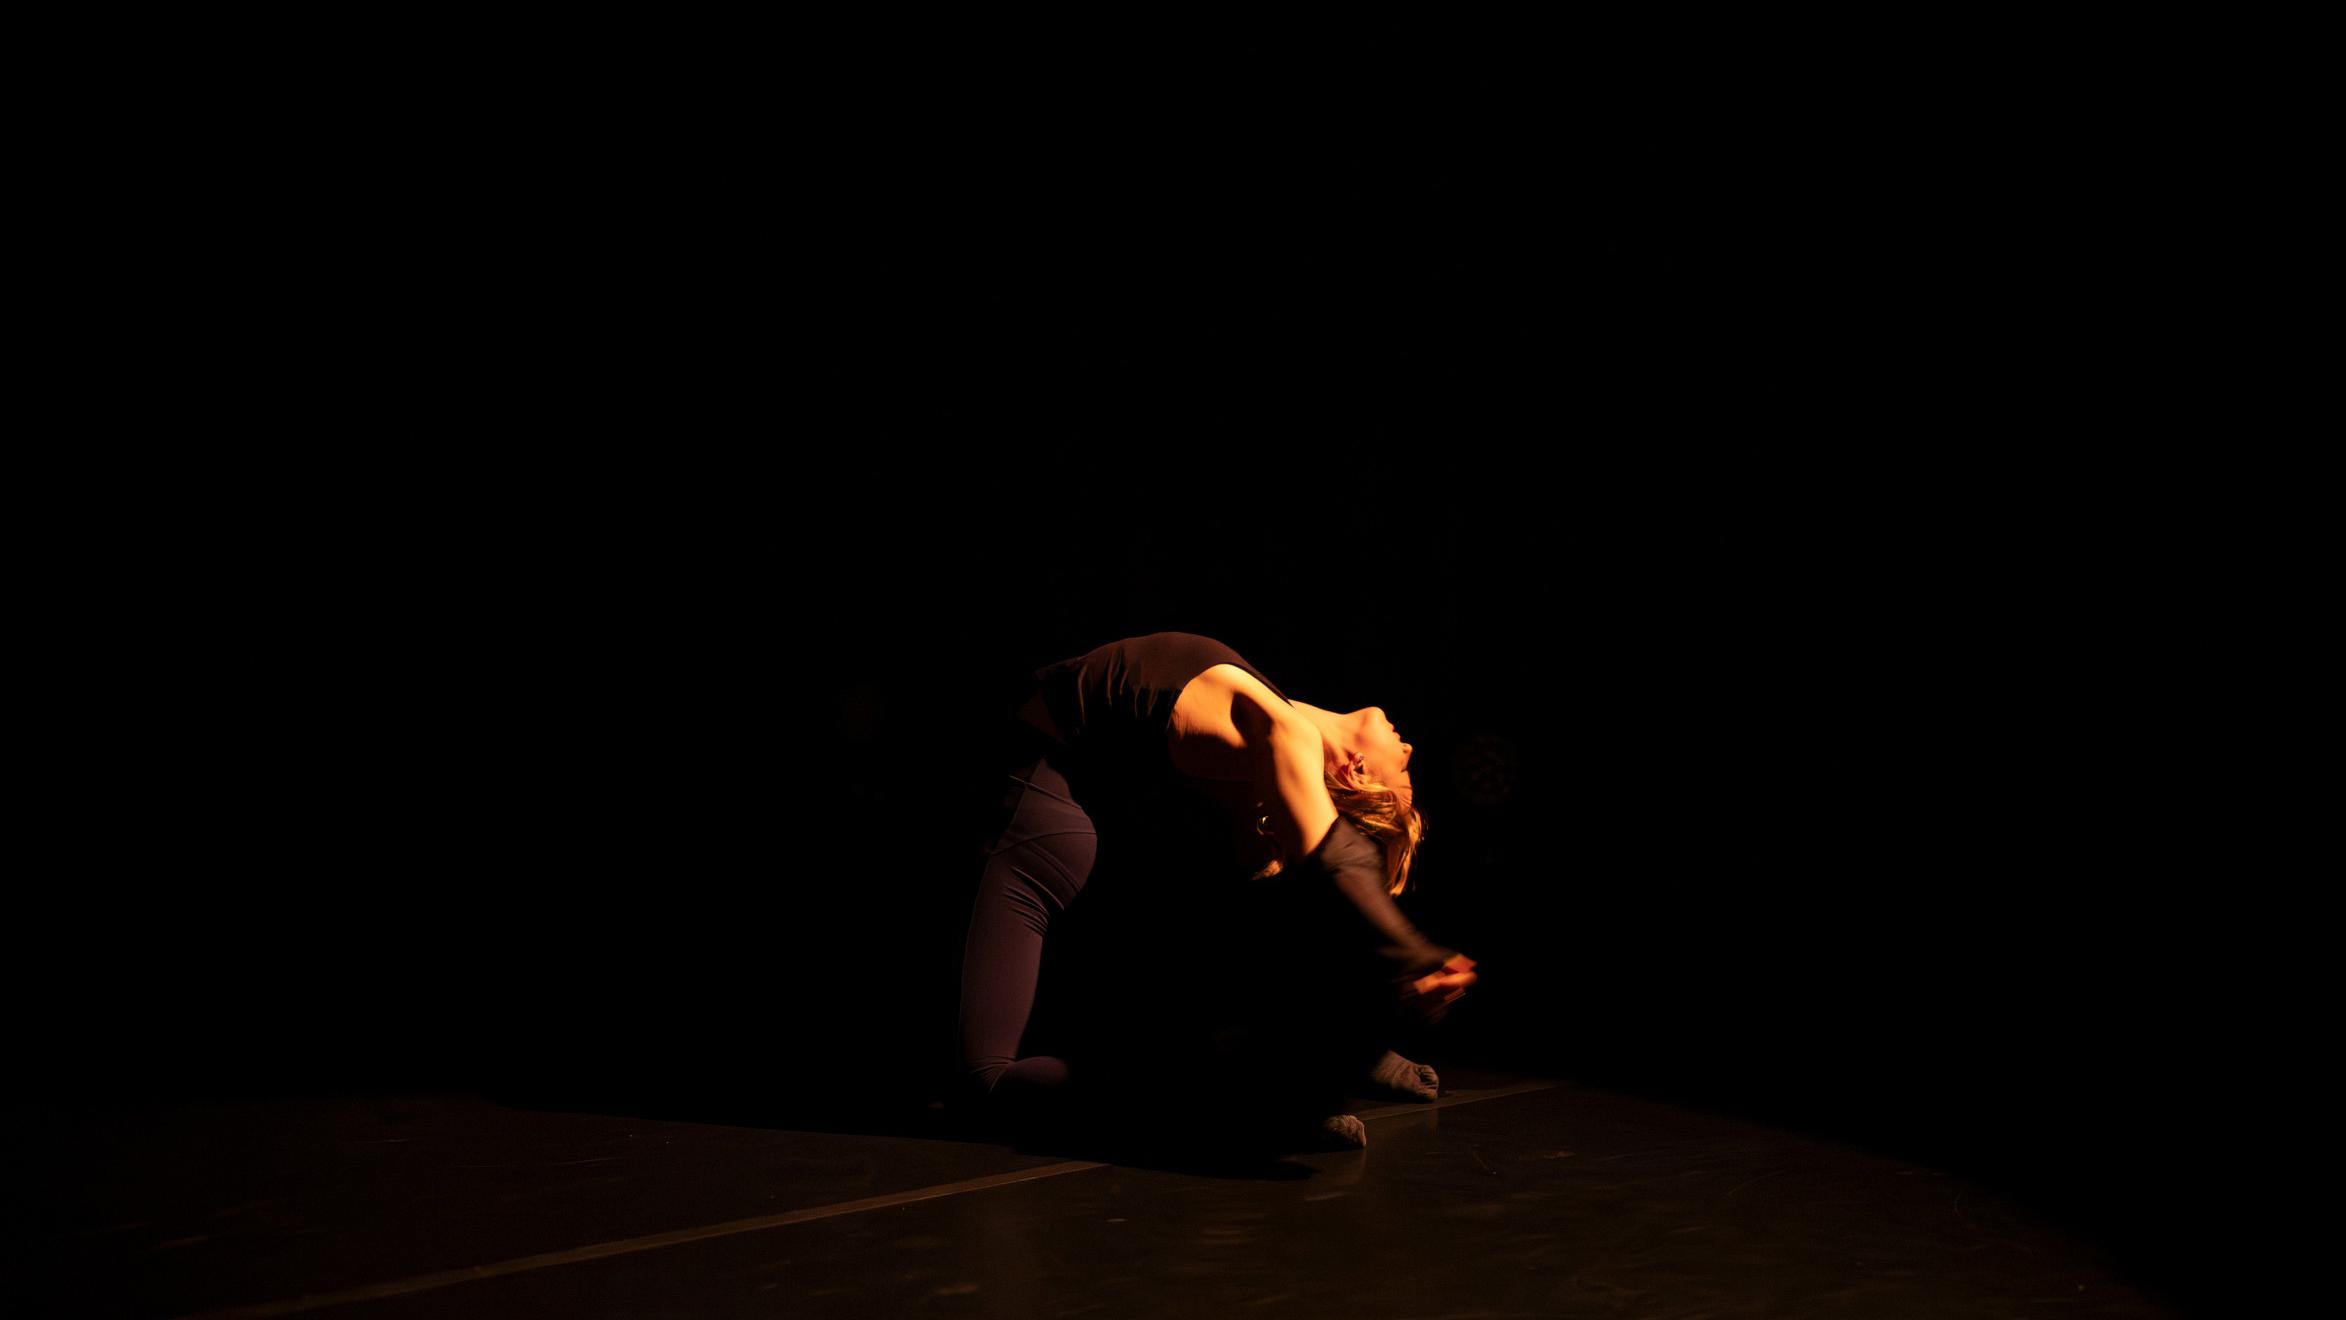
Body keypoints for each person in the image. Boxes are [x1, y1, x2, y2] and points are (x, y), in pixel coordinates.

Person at [954, 631, 1479, 1152]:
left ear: (1357, 770)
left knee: (987, 1076)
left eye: (1403, 765)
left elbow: (1338, 860)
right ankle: (1296, 1073)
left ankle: (1239, 1106)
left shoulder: (1283, 731)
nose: (1409, 744)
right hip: (1082, 814)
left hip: (1036, 798)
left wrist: (1410, 953)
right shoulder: (1263, 744)